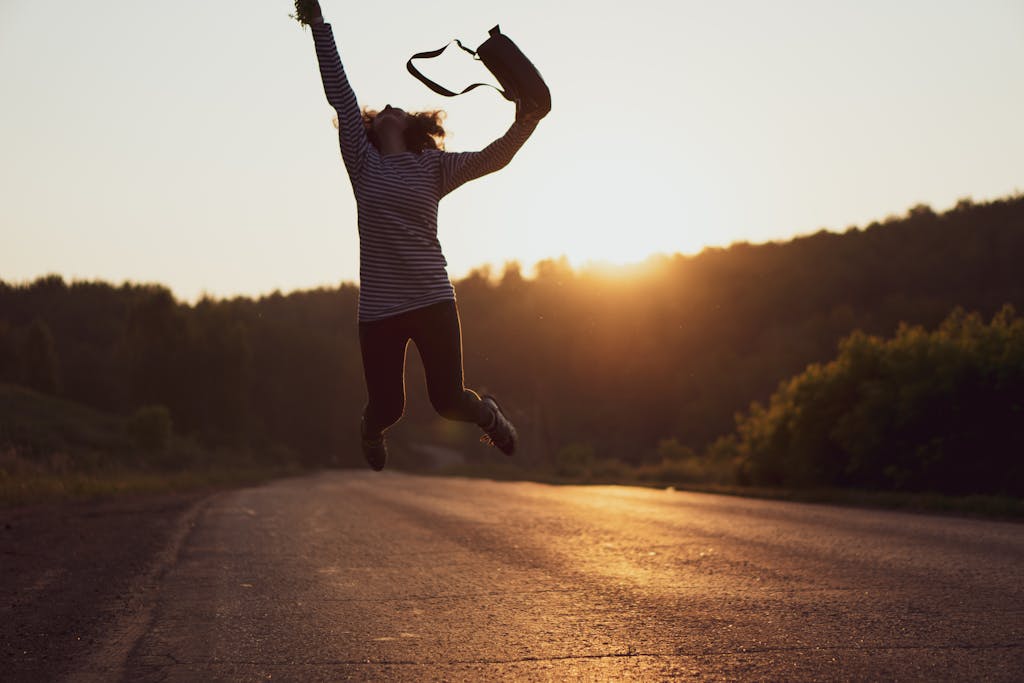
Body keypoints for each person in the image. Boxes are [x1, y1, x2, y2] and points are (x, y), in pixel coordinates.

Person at [294, 0, 546, 471]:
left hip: (432, 298)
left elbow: (493, 157)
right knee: (389, 408)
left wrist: (526, 119)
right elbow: (341, 96)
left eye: (399, 107)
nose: (388, 106)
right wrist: (317, 23)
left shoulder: (432, 168)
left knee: (449, 400)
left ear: (411, 127)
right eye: (381, 108)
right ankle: (371, 429)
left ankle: (489, 416)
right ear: (371, 127)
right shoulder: (362, 163)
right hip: (380, 310)